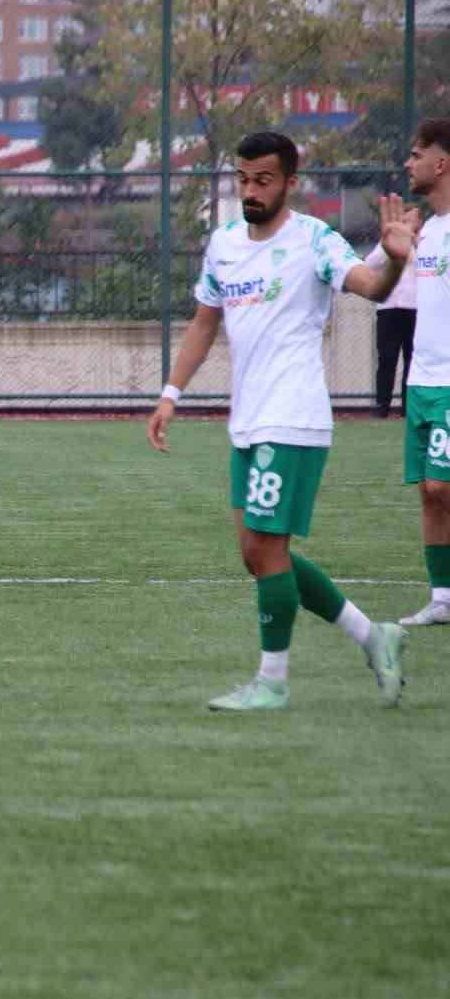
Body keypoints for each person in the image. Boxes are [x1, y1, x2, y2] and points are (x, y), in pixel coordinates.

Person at [146, 130, 417, 711]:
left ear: (290, 183)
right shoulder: (222, 244)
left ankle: (272, 682)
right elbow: (203, 323)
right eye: (243, 179)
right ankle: (375, 637)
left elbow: (369, 287)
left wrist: (393, 263)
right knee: (256, 552)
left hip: (292, 417)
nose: (251, 190)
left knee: (267, 548)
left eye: (263, 180)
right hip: (248, 420)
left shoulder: (314, 240)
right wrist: (171, 393)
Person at [393, 118, 450, 627]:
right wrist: (401, 248)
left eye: (417, 154)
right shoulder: (429, 230)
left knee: (442, 488)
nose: (409, 163)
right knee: (428, 494)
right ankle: (442, 599)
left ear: (442, 163)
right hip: (422, 381)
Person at [370, 239, 417, 418]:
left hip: (413, 308)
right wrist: (388, 247)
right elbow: (370, 263)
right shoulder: (384, 244)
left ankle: (408, 408)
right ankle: (382, 406)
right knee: (386, 360)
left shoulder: (422, 243)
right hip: (388, 308)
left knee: (411, 360)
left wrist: (414, 244)